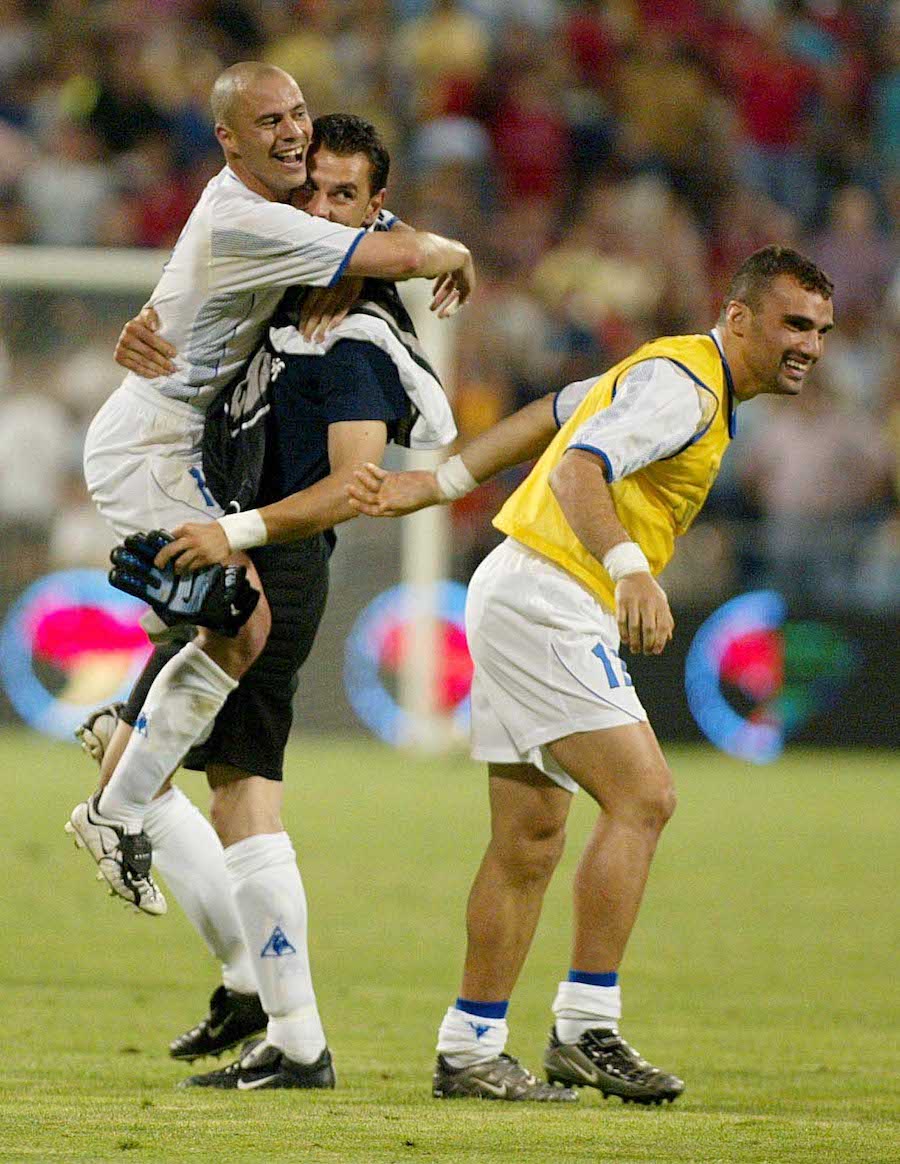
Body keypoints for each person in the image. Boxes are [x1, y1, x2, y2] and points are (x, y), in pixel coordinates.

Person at [346, 245, 835, 1103]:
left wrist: (442, 482)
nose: (811, 345)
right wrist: (629, 565)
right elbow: (578, 466)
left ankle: (469, 1047)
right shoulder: (685, 388)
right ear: (739, 317)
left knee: (528, 837)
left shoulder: (671, 372)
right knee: (644, 797)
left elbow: (553, 413)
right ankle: (586, 1029)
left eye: (823, 330)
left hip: (522, 583)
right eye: (795, 324)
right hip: (549, 591)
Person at [85, 113, 459, 1091]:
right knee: (244, 801)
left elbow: (355, 485)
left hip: (264, 571)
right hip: (226, 549)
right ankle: (289, 1034)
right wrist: (150, 333)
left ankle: (246, 980)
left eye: (346, 197)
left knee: (135, 770)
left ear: (378, 211)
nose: (322, 210)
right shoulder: (284, 296)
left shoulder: (356, 341)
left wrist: (237, 536)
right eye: (311, 193)